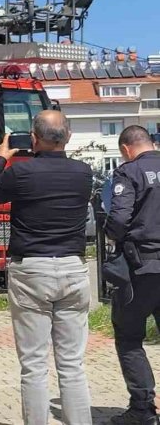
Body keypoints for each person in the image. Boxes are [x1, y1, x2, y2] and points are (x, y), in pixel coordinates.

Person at [0, 110, 93, 425]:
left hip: (31, 270)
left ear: (33, 138)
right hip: (72, 268)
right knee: (72, 365)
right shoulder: (84, 173)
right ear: (68, 136)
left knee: (34, 365)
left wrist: (0, 159)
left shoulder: (21, 173)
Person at [104, 125, 160, 425]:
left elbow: (119, 218)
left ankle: (143, 409)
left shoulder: (129, 172)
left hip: (142, 270)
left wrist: (112, 235)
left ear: (126, 148)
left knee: (129, 338)